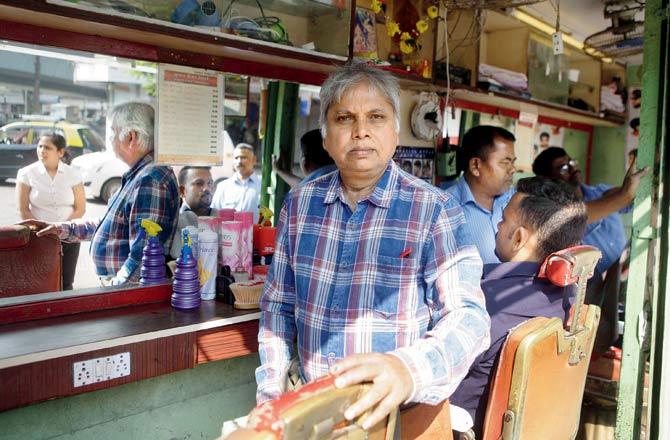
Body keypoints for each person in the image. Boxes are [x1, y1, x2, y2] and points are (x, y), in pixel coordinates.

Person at [256, 61, 490, 431]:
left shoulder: (434, 210)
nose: (361, 131)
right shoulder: (300, 205)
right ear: (326, 135)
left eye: (376, 117)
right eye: (345, 118)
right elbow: (278, 308)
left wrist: (408, 369)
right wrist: (271, 398)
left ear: (395, 132)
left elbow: (469, 317)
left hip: (398, 420)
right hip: (314, 413)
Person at [449, 176, 588, 435]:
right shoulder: (570, 296)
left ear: (519, 238)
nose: (497, 227)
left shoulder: (483, 302)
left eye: (502, 221)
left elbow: (435, 374)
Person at [22, 102, 179, 285]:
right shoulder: (139, 175)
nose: (110, 139)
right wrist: (61, 229)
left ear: (131, 137)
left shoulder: (150, 180)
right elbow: (112, 225)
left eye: (112, 132)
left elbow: (141, 260)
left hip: (124, 294)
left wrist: (110, 292)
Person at [531, 147, 649, 276]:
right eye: (563, 168)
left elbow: (631, 198)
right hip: (597, 290)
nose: (572, 169)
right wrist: (624, 194)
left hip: (628, 273)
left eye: (571, 162)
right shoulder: (554, 214)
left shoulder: (601, 192)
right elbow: (578, 216)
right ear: (549, 180)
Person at [15, 132, 86, 290]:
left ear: (60, 152)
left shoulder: (73, 174)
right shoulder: (26, 173)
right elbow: (22, 209)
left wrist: (62, 228)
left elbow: (80, 208)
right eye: (40, 146)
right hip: (39, 236)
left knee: (66, 282)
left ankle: (65, 313)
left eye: (47, 147)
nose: (42, 151)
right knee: (40, 281)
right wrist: (43, 231)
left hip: (69, 236)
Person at [447, 125, 517, 264]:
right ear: (475, 166)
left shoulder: (515, 201)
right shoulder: (446, 209)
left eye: (513, 162)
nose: (513, 169)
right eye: (505, 163)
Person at [169, 166, 218, 260]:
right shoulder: (175, 224)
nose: (206, 188)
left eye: (210, 183)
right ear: (182, 191)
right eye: (199, 183)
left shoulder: (222, 219)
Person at [271, 129, 336, 188]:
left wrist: (279, 170)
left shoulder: (309, 193)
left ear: (305, 163)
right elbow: (302, 185)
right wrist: (281, 171)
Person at [211, 143, 261, 219]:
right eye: (236, 158)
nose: (239, 161)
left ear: (254, 160)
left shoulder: (262, 185)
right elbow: (214, 215)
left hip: (256, 230)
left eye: (243, 157)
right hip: (227, 230)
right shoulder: (223, 186)